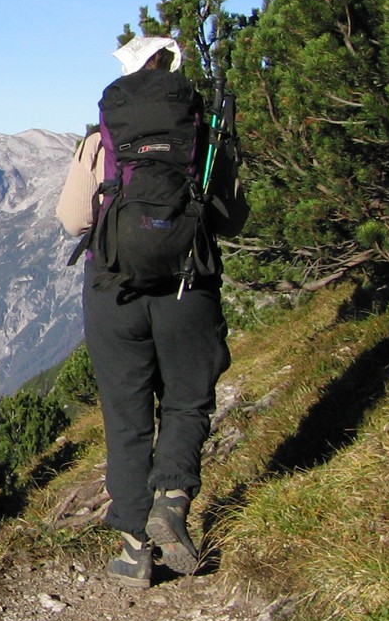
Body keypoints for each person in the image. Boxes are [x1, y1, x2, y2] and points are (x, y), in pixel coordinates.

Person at [56, 34, 248, 587]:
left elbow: (72, 220)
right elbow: (232, 221)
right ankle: (173, 497)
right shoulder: (205, 137)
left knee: (126, 414)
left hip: (114, 293)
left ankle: (135, 548)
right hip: (189, 288)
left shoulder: (102, 141)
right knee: (188, 398)